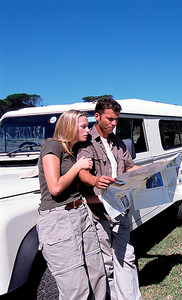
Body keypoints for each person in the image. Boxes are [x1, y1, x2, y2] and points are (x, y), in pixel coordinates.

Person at [36, 110, 106, 300]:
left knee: (97, 274)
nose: (88, 130)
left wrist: (106, 199)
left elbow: (77, 193)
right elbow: (56, 188)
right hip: (59, 220)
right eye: (83, 126)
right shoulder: (52, 146)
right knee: (76, 288)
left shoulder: (73, 152)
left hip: (81, 213)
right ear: (69, 127)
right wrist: (78, 167)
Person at [76, 98, 141, 300]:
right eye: (110, 119)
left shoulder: (118, 142)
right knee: (106, 261)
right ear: (97, 116)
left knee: (126, 256)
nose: (113, 123)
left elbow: (130, 167)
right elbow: (81, 172)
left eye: (116, 120)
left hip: (119, 207)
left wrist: (154, 171)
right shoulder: (87, 142)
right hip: (98, 211)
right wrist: (95, 180)